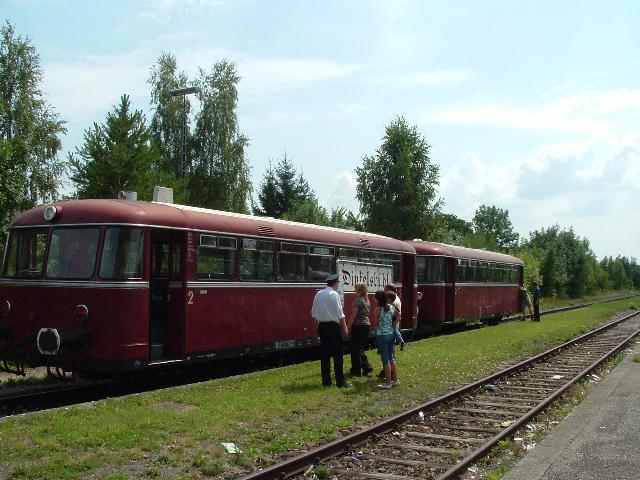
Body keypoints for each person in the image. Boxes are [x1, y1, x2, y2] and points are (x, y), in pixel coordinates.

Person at [311, 273, 350, 387]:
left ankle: (326, 381)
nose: (338, 285)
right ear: (335, 283)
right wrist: (345, 329)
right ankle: (340, 381)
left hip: (322, 327)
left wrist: (316, 326)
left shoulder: (318, 294)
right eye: (338, 283)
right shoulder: (334, 294)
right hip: (333, 327)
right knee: (338, 354)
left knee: (325, 355)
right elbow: (340, 314)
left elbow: (314, 313)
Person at [374, 290, 399, 389]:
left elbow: (375, 323)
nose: (373, 299)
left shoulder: (377, 309)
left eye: (375, 297)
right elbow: (397, 317)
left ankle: (388, 383)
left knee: (385, 360)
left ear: (378, 299)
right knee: (391, 358)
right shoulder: (392, 307)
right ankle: (395, 380)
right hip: (391, 334)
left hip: (382, 335)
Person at [348, 283, 373, 377]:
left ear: (358, 290)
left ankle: (356, 370)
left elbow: (353, 316)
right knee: (360, 348)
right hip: (366, 325)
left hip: (358, 326)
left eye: (355, 288)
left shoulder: (357, 301)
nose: (354, 290)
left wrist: (348, 327)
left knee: (355, 349)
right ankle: (366, 367)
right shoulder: (367, 300)